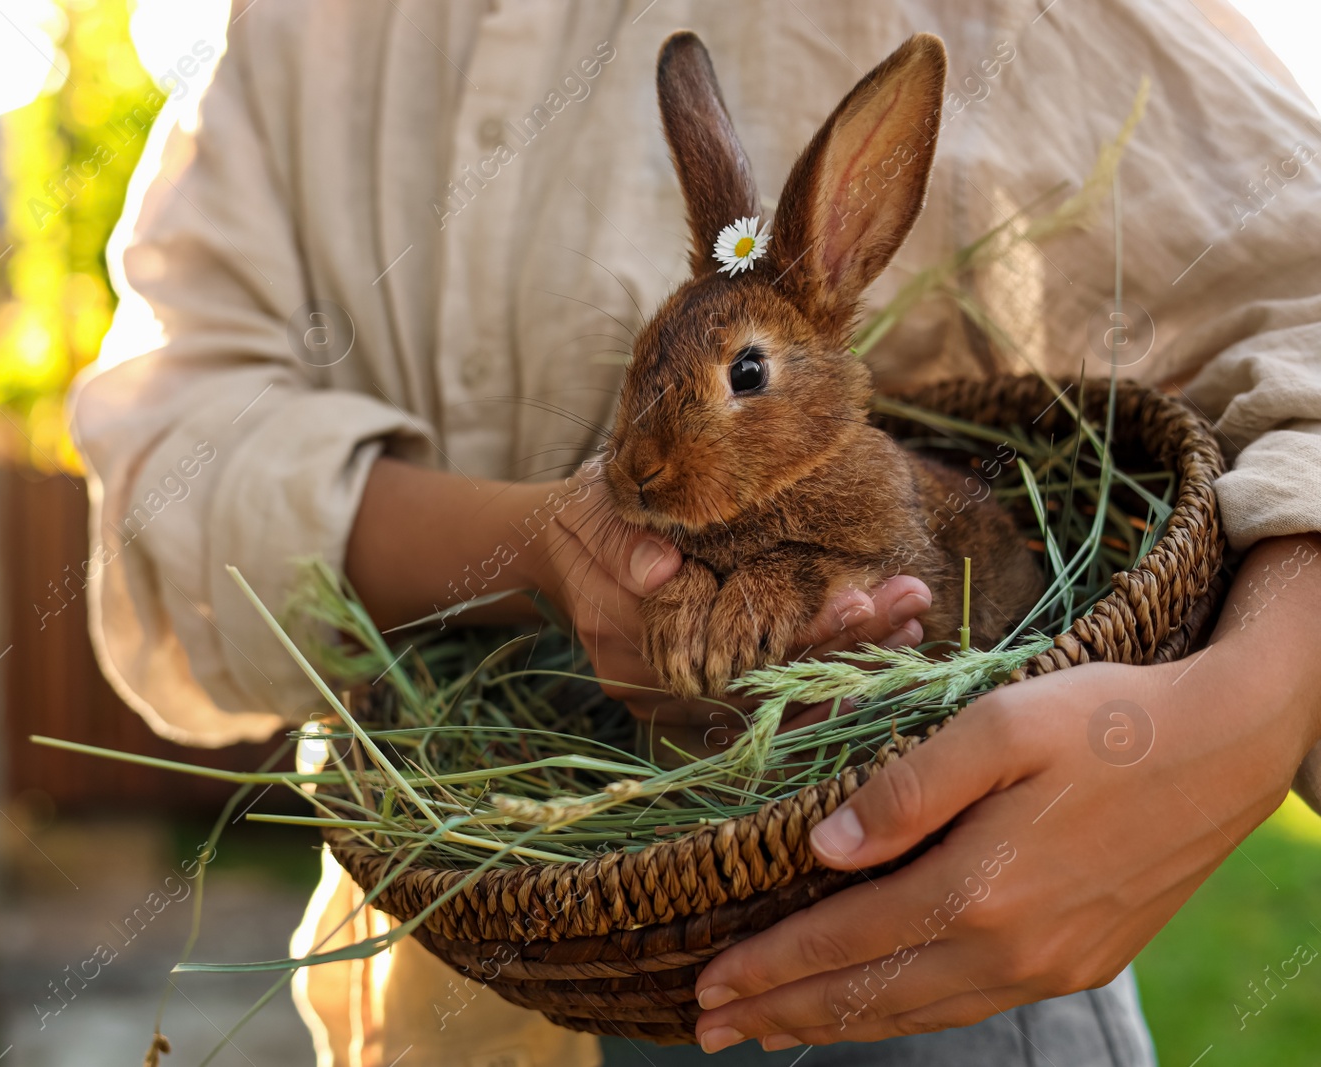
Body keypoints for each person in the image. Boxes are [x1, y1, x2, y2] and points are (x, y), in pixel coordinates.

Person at [69, 1, 1321, 1063]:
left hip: (921, 975)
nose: (645, 459)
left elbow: (1298, 290)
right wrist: (542, 558)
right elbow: (168, 436)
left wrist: (1246, 713)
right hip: (465, 939)